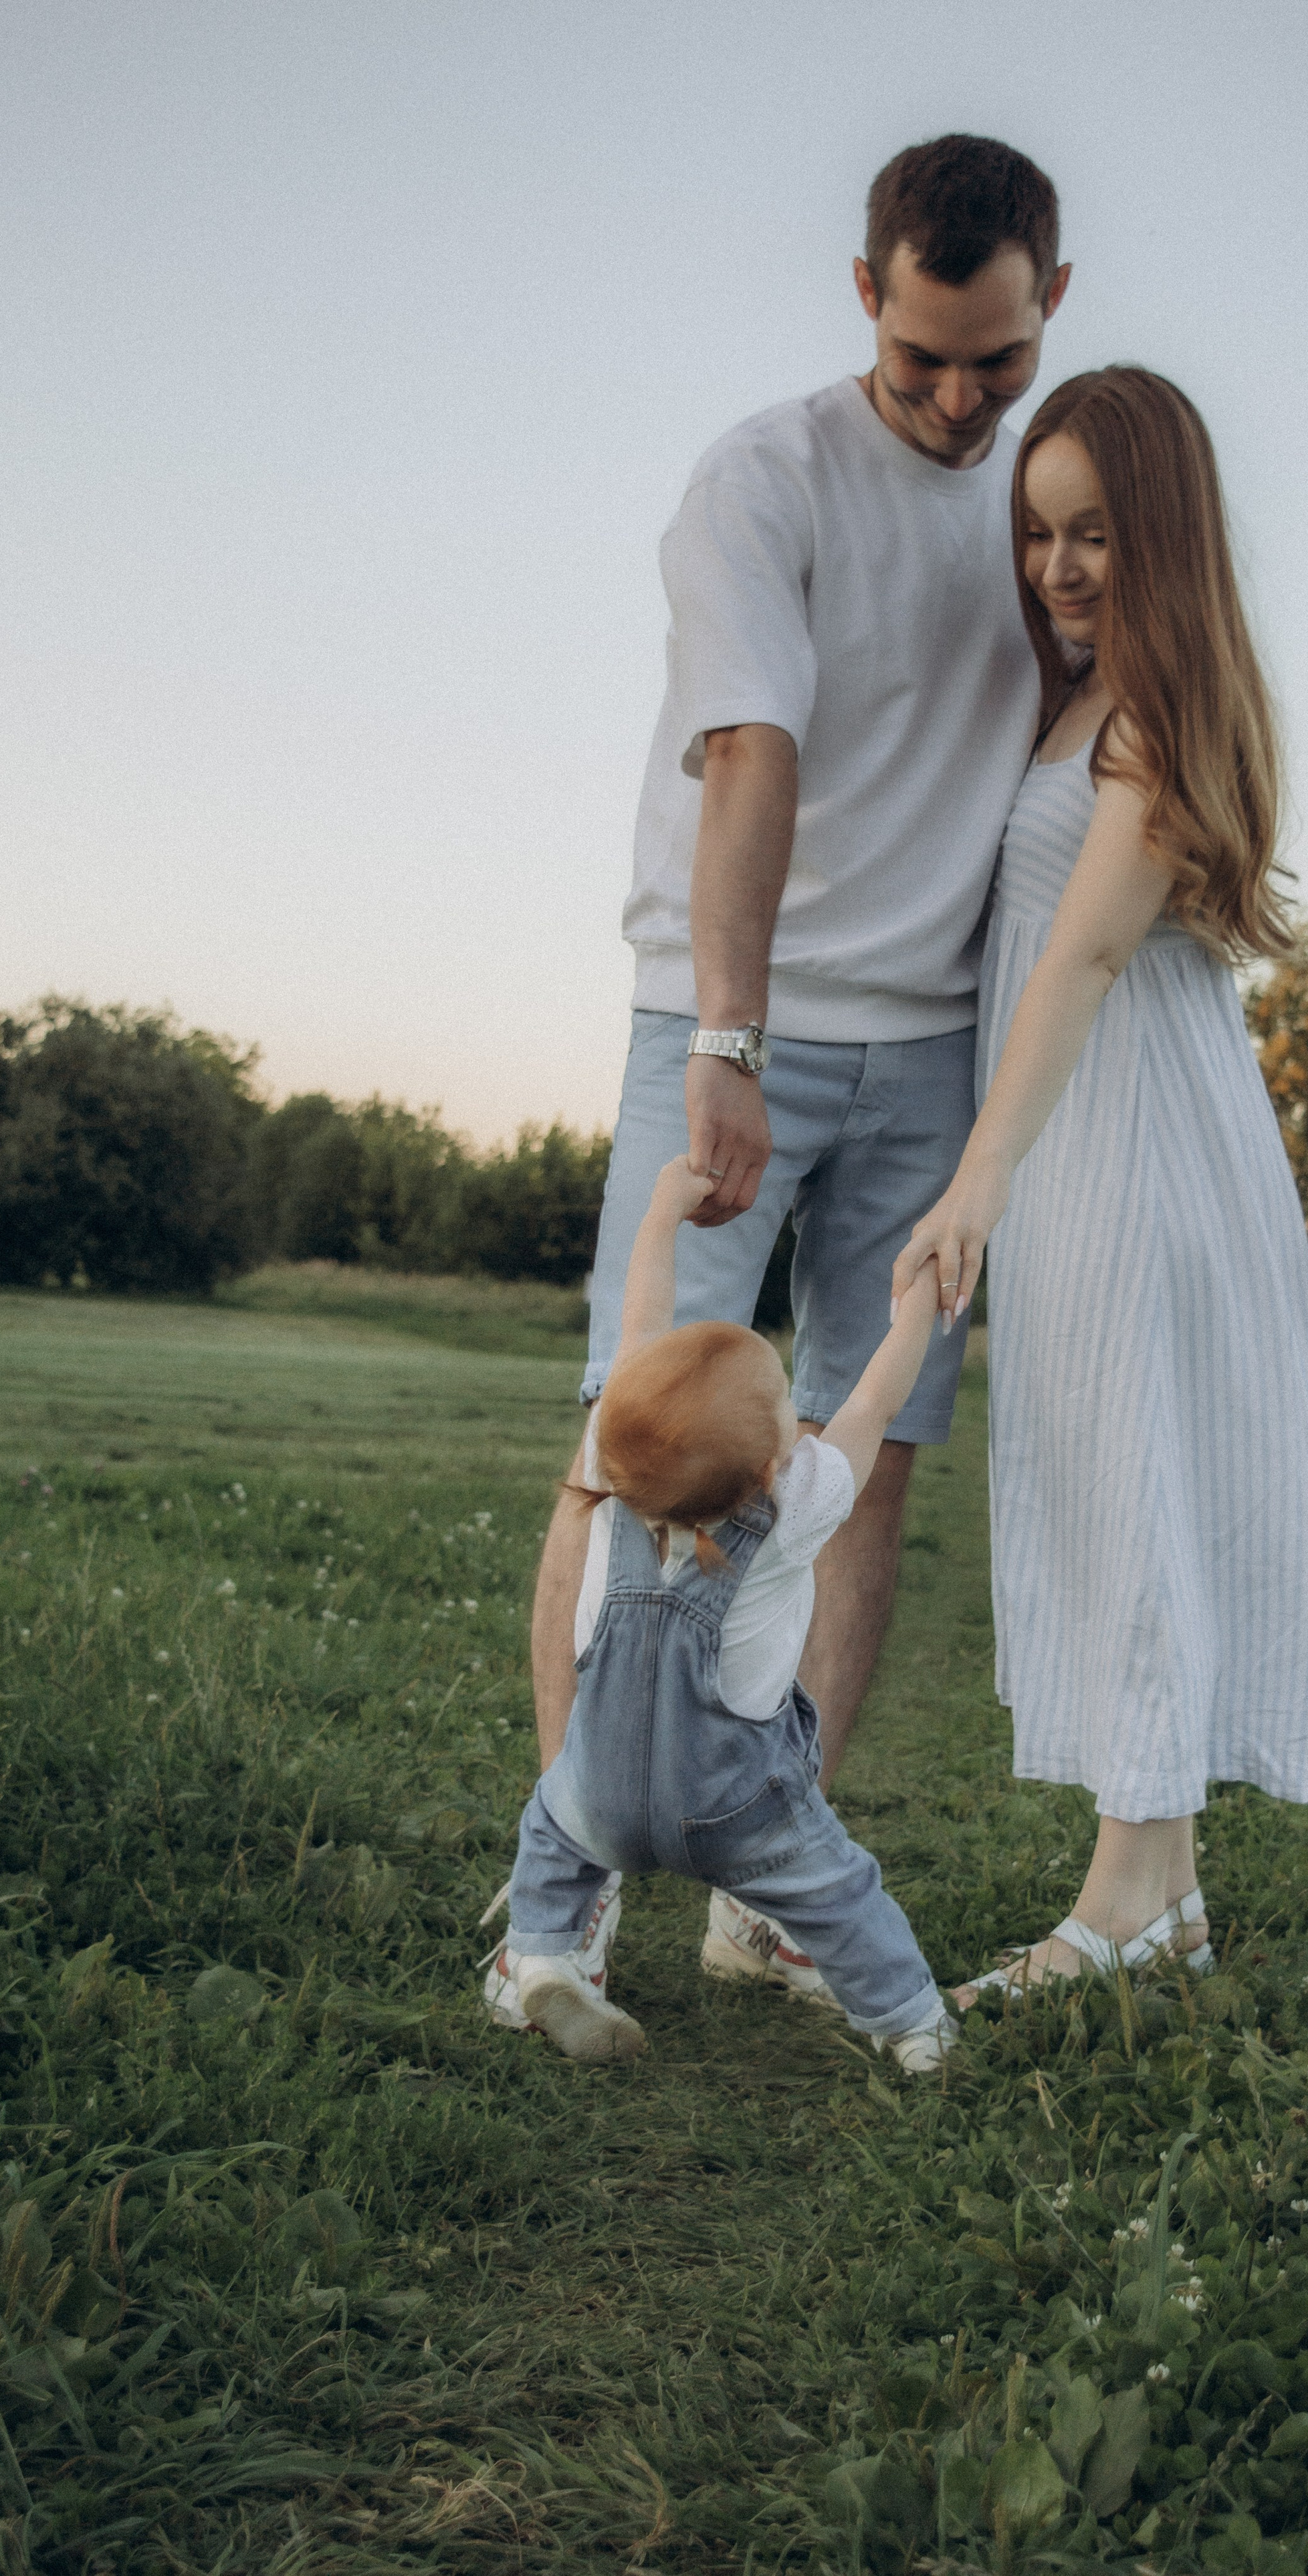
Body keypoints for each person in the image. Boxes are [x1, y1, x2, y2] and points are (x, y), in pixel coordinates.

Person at [526, 134, 1071, 2004]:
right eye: (922, 354)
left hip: (929, 1043)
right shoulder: (762, 478)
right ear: (865, 293)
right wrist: (733, 1044)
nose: (954, 395)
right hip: (727, 1017)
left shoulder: (1036, 513)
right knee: (628, 1439)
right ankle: (567, 1884)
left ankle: (770, 1868)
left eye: (993, 360)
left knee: (868, 1455)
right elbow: (746, 752)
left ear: (1050, 308)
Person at [893, 367, 1308, 2002]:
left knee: (1135, 1483)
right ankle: (1153, 1893)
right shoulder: (1071, 703)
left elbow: (1081, 954)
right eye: (1036, 533)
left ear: (1159, 532)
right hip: (1075, 1131)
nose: (1057, 566)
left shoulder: (1158, 717)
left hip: (1130, 1138)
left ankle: (1130, 1907)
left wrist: (973, 1181)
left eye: (1091, 533)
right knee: (1101, 1487)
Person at [483, 1155, 956, 2073]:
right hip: (738, 1807)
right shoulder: (792, 1508)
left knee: (551, 1829)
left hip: (603, 1795)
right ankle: (915, 2028)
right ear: (773, 1461)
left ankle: (544, 1958)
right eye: (784, 1405)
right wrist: (918, 1305)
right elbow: (871, 1402)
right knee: (841, 1890)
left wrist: (660, 1218)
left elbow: (642, 1325)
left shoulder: (614, 1470)